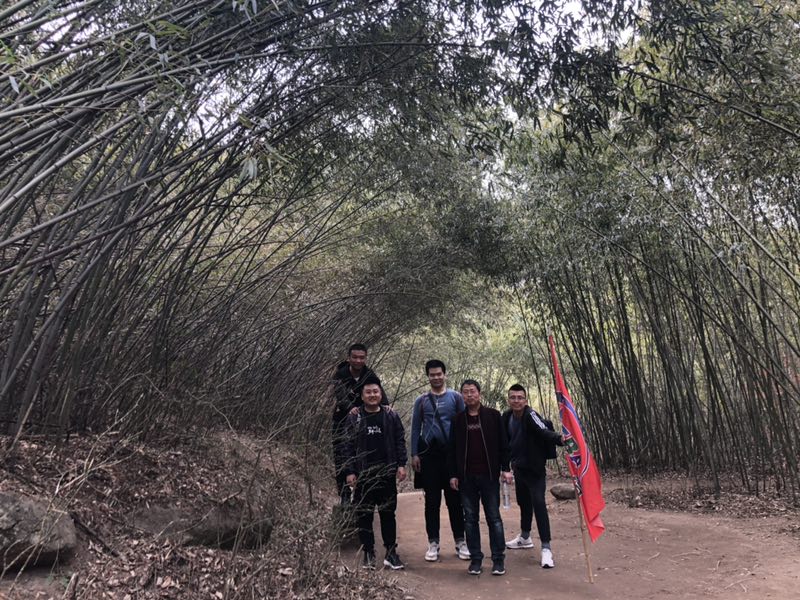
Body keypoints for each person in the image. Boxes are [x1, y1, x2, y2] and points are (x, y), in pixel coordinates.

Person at [342, 375, 407, 570]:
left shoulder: (390, 415)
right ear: (362, 396)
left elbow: (399, 440)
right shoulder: (355, 417)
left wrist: (401, 465)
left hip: (386, 473)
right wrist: (350, 471)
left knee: (388, 514)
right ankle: (368, 553)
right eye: (368, 392)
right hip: (363, 475)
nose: (372, 395)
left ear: (381, 394)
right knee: (364, 515)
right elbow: (347, 446)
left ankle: (391, 553)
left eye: (375, 391)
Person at [448, 379, 512, 576]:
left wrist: (505, 468)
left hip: (489, 475)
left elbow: (503, 444)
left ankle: (498, 559)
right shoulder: (457, 420)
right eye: (465, 392)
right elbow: (452, 449)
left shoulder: (493, 416)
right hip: (466, 477)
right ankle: (476, 559)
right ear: (462, 396)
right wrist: (453, 474)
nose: (469, 395)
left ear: (479, 393)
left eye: (472, 391)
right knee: (470, 519)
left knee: (494, 517)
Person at [410, 359, 468, 562]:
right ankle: (433, 543)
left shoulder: (456, 397)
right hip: (429, 456)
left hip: (451, 455)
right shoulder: (421, 401)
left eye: (439, 374)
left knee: (455, 501)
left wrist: (463, 454)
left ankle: (460, 541)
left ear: (445, 374)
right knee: (432, 502)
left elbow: (463, 425)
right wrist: (414, 453)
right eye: (432, 374)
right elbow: (415, 428)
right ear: (428, 376)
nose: (436, 377)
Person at [502, 383, 565, 568]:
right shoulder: (506, 417)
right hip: (519, 468)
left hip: (535, 470)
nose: (516, 401)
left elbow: (543, 431)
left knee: (538, 503)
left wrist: (560, 439)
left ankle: (546, 548)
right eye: (513, 397)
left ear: (525, 400)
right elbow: (504, 444)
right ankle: (525, 537)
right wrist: (505, 468)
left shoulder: (530, 415)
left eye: (520, 398)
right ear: (509, 400)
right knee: (524, 503)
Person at [332, 344, 388, 502]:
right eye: (355, 357)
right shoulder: (340, 374)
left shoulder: (369, 374)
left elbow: (379, 394)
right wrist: (352, 409)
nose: (358, 360)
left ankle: (365, 492)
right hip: (342, 420)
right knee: (341, 455)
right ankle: (344, 494)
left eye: (361, 357)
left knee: (364, 453)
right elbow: (341, 397)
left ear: (366, 358)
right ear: (349, 358)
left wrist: (386, 407)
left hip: (365, 420)